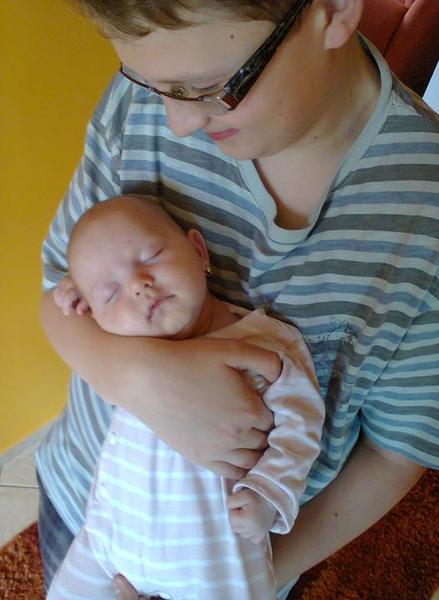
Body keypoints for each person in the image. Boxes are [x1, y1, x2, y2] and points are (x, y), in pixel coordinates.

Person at [37, 0, 439, 598]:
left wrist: (237, 580)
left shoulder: (432, 216)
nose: (179, 121)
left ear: (335, 10)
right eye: (152, 85)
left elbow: (394, 453)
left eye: (212, 88)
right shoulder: (139, 110)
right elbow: (58, 293)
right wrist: (140, 377)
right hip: (82, 503)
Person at [46, 194, 324, 599]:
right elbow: (70, 318)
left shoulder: (265, 344)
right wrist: (78, 297)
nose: (138, 285)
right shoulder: (127, 342)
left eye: (152, 256)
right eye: (110, 292)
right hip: (108, 537)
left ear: (198, 250)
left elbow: (302, 423)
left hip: (213, 558)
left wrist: (270, 491)